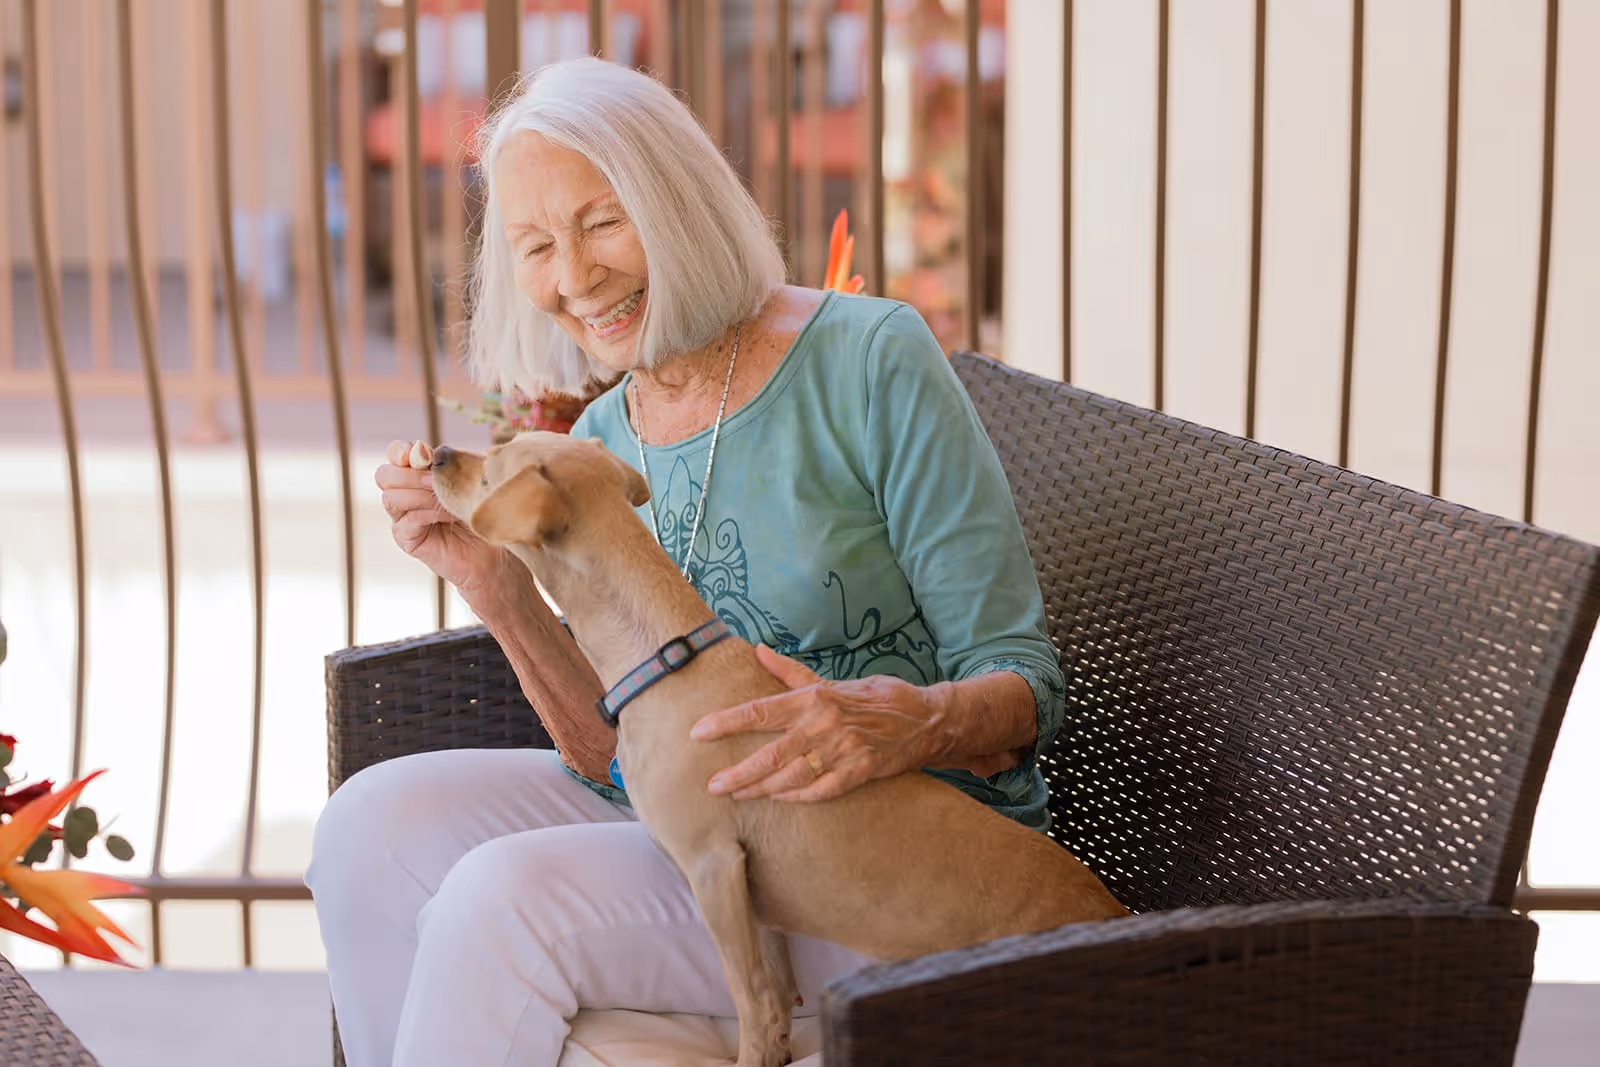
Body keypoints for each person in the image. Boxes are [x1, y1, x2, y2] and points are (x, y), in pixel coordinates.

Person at [306, 57, 1066, 1067]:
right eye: (536, 245)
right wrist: (488, 577)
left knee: (501, 903)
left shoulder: (868, 358)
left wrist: (903, 719)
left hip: (888, 863)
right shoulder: (609, 431)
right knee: (372, 823)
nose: (573, 278)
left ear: (677, 199)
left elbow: (1026, 684)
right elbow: (613, 756)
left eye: (601, 222)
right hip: (712, 829)